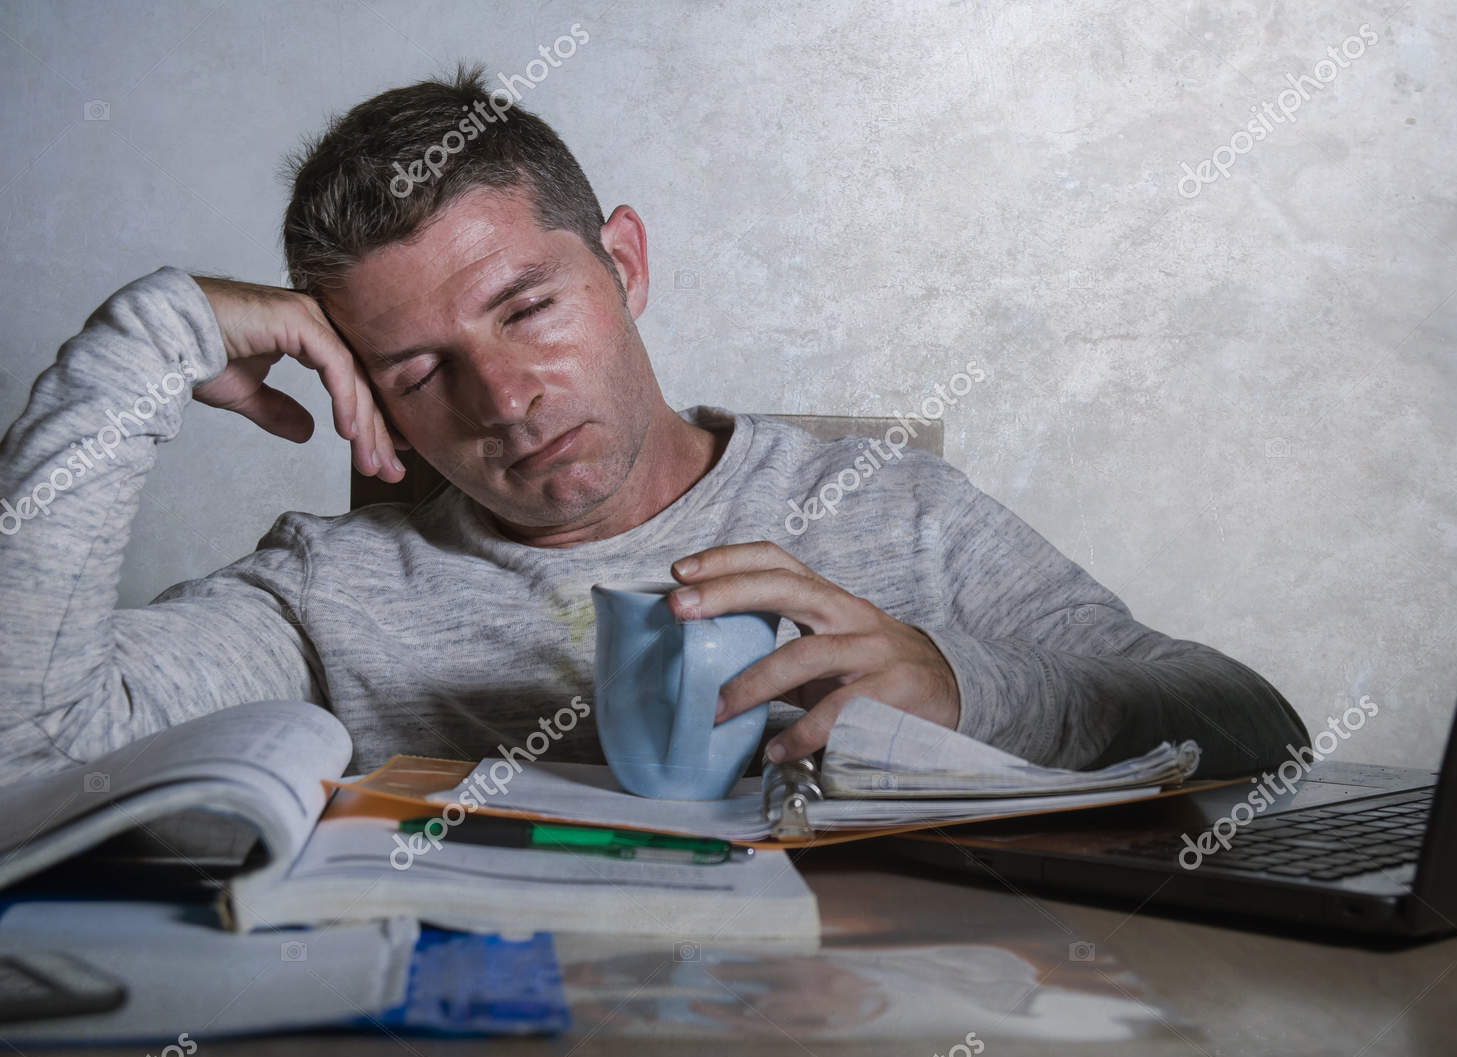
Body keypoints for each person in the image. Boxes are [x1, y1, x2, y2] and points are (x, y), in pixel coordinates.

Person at [0, 64, 1307, 783]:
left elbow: (1251, 722)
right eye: (415, 369)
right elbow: (29, 756)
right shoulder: (325, 596)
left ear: (623, 262)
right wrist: (144, 345)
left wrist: (964, 691)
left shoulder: (884, 511)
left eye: (527, 307)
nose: (502, 400)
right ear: (356, 383)